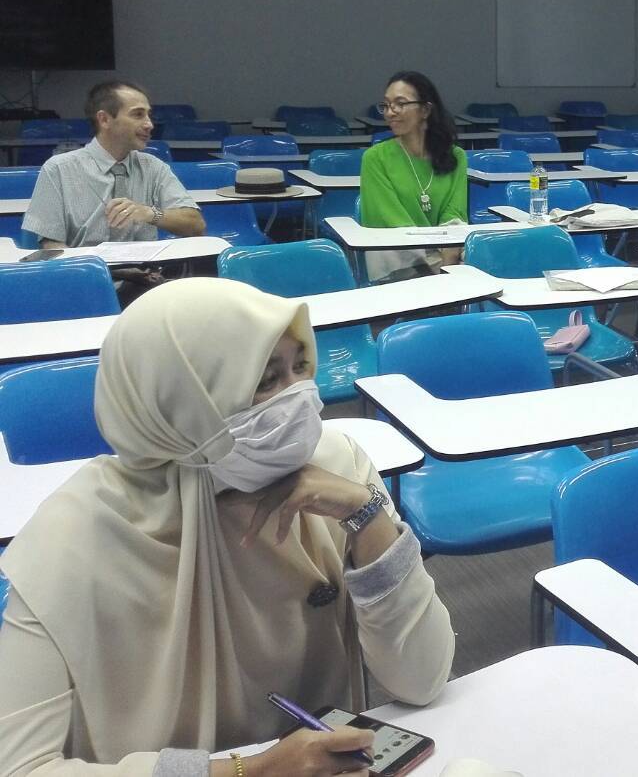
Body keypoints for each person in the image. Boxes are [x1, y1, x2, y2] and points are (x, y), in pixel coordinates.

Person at [0, 278, 455, 774]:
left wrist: (367, 517)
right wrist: (250, 771)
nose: (301, 399)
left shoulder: (337, 467)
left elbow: (423, 678)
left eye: (301, 367)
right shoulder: (73, 538)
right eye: (265, 380)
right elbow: (20, 768)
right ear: (178, 401)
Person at [22, 80, 204, 250]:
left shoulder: (153, 167)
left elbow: (196, 225)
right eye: (138, 115)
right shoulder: (59, 169)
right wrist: (95, 269)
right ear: (104, 119)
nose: (149, 124)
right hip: (86, 269)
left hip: (145, 271)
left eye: (149, 115)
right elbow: (51, 246)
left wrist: (149, 213)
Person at [359, 71, 467, 280]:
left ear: (425, 110)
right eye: (386, 105)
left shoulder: (456, 156)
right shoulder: (375, 158)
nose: (390, 112)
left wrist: (449, 259)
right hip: (399, 258)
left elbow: (455, 214)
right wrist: (439, 269)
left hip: (446, 253)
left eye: (400, 104)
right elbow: (391, 222)